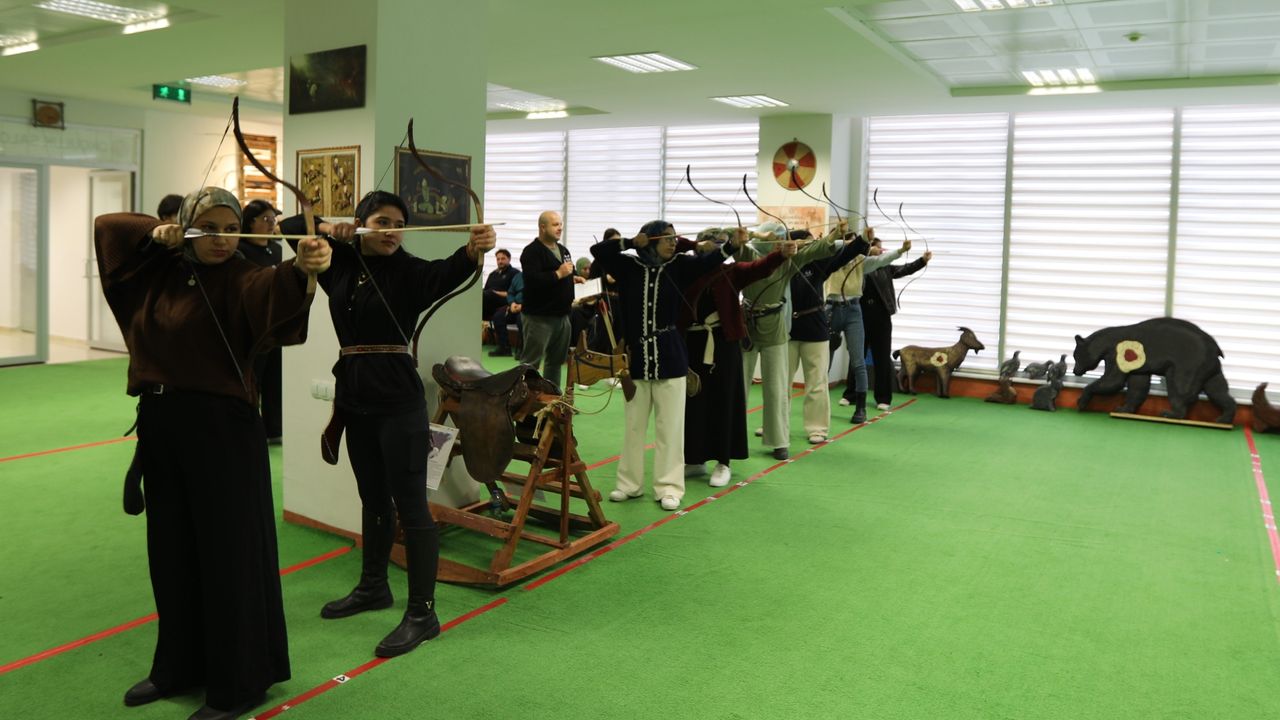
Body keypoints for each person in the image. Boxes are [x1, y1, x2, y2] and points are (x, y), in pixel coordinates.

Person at [96, 187, 330, 720]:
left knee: (229, 557)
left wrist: (305, 268)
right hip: (162, 425)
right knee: (172, 552)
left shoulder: (245, 276)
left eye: (230, 228)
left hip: (223, 430)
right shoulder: (158, 271)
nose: (222, 238)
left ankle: (238, 684)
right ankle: (177, 667)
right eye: (208, 227)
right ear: (186, 228)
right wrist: (154, 235)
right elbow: (109, 228)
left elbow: (276, 287)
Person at [279, 191, 496, 658]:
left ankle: (423, 612)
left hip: (399, 404)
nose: (392, 230)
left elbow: (454, 268)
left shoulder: (412, 271)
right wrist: (329, 229)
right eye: (382, 221)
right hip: (355, 400)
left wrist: (475, 246)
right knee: (373, 499)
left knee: (411, 506)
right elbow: (290, 227)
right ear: (361, 222)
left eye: (399, 223)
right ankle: (373, 586)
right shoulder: (339, 262)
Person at [591, 221, 743, 511]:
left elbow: (710, 261)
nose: (674, 243)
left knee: (670, 429)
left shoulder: (680, 267)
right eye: (667, 239)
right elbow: (598, 251)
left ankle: (669, 487)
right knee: (634, 427)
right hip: (637, 360)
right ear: (649, 240)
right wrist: (629, 242)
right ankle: (629, 485)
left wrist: (732, 245)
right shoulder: (628, 267)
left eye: (675, 238)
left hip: (671, 359)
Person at [678, 228, 789, 487]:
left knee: (724, 400)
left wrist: (780, 255)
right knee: (694, 401)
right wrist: (697, 245)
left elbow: (759, 268)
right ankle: (695, 459)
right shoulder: (685, 269)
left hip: (723, 344)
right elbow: (676, 245)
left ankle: (723, 462)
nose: (714, 249)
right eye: (709, 244)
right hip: (692, 343)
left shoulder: (731, 272)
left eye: (719, 245)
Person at [738, 222, 838, 460]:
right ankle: (732, 439)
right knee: (738, 386)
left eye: (781, 239)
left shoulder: (788, 261)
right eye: (774, 239)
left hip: (775, 328)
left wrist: (834, 235)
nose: (779, 243)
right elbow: (714, 237)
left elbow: (815, 251)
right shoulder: (746, 254)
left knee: (777, 387)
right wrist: (754, 233)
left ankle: (778, 441)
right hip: (747, 327)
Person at [787, 226, 869, 444]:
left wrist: (862, 240)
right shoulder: (781, 264)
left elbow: (844, 255)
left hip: (815, 328)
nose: (813, 246)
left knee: (817, 381)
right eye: (808, 242)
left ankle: (817, 428)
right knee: (781, 381)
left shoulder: (818, 263)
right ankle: (775, 425)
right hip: (786, 329)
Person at [827, 233, 911, 423]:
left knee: (859, 361)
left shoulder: (861, 262)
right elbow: (828, 246)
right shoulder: (832, 258)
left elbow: (882, 260)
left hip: (855, 311)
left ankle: (861, 407)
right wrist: (852, 241)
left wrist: (901, 250)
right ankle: (827, 399)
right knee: (825, 360)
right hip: (831, 310)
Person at [861, 239, 931, 410]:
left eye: (881, 248)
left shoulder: (885, 267)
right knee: (857, 357)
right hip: (860, 316)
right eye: (876, 247)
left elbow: (904, 269)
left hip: (882, 316)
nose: (880, 250)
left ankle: (883, 398)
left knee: (882, 356)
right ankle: (851, 394)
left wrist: (922, 260)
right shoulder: (857, 267)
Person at [518, 210, 581, 389]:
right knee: (530, 363)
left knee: (555, 362)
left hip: (562, 316)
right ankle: (524, 398)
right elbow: (532, 280)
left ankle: (551, 398)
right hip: (539, 318)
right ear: (542, 227)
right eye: (555, 225)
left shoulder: (563, 250)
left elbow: (567, 272)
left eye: (560, 224)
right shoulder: (531, 252)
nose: (560, 228)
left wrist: (574, 278)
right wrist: (558, 274)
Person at [239, 199, 284, 442]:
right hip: (252, 326)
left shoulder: (277, 249)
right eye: (266, 219)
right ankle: (248, 427)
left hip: (275, 323)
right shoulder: (241, 250)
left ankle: (273, 429)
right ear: (250, 222)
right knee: (253, 377)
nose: (271, 224)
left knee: (275, 378)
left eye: (273, 219)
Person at [482, 248, 518, 354]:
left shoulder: (515, 274)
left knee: (489, 295)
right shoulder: (493, 274)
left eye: (503, 258)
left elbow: (515, 294)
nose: (500, 261)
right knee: (481, 297)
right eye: (498, 259)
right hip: (489, 304)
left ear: (509, 259)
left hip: (506, 303)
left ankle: (505, 348)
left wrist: (495, 293)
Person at [490, 268, 524, 357]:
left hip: (528, 309)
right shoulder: (518, 277)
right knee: (498, 316)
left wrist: (523, 306)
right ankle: (504, 348)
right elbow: (510, 293)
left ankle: (524, 350)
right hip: (514, 306)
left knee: (521, 320)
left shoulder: (538, 278)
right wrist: (512, 303)